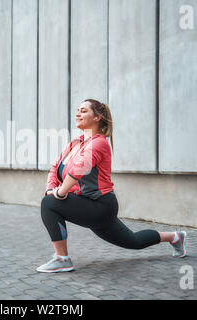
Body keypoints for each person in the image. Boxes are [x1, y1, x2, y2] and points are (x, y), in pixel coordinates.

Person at [37, 98, 187, 273]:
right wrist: (50, 188)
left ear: (97, 117)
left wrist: (60, 193)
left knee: (49, 204)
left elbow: (80, 169)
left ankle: (62, 259)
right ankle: (175, 237)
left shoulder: (99, 143)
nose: (78, 113)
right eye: (78, 110)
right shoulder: (75, 143)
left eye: (84, 111)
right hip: (86, 204)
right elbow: (55, 167)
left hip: (101, 206)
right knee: (134, 241)